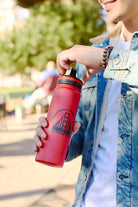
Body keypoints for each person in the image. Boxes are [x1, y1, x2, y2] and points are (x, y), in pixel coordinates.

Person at [33, 0, 138, 207]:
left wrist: (107, 59)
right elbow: (86, 135)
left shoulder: (101, 55)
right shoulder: (95, 52)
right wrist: (60, 139)